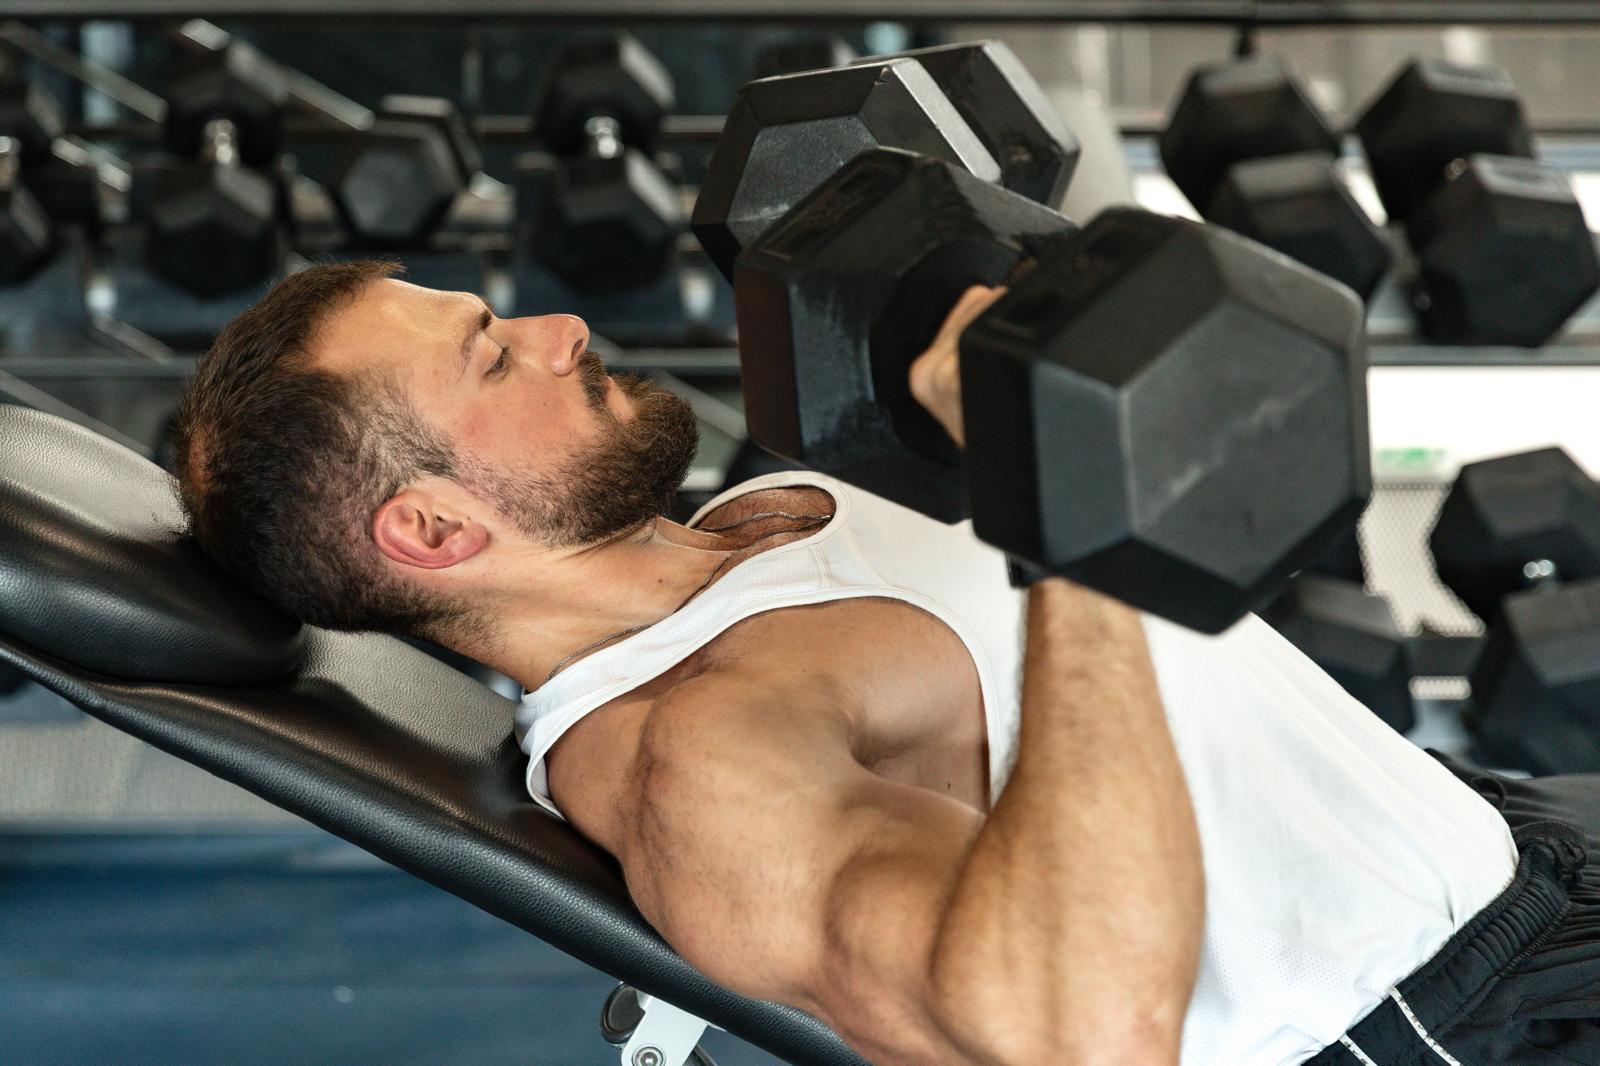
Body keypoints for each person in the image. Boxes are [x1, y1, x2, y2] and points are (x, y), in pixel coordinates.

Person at [172, 260, 1600, 1066]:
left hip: (1495, 842)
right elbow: (1085, 1038)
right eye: (494, 359)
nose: (560, 329)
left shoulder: (744, 520)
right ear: (430, 526)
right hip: (1444, 1022)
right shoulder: (698, 758)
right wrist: (1062, 508)